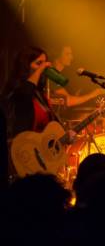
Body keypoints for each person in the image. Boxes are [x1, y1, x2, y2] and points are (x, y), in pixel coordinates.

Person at [2, 46, 75, 179]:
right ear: (25, 66)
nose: (43, 67)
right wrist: (42, 69)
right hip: (21, 156)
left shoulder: (40, 95)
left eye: (45, 62)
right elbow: (25, 95)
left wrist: (65, 136)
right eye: (38, 63)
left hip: (41, 161)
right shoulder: (17, 91)